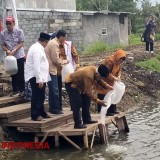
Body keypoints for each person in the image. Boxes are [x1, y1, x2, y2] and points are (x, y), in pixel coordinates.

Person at [65, 64, 116, 129]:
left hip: (80, 83)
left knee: (86, 100)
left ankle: (86, 119)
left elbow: (99, 80)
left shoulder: (96, 71)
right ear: (97, 74)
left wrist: (108, 86)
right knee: (77, 103)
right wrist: (98, 101)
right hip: (71, 83)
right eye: (100, 77)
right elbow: (88, 91)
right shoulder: (89, 75)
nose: (101, 78)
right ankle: (77, 124)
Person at [25, 32, 52, 121]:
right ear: (44, 41)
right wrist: (39, 79)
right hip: (36, 76)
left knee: (41, 96)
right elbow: (36, 65)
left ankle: (42, 112)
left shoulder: (38, 48)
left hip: (41, 76)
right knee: (37, 95)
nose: (47, 44)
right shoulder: (37, 49)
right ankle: (35, 115)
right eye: (47, 43)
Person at [45, 30, 69, 114]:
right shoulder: (55, 44)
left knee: (53, 90)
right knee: (54, 90)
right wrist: (65, 61)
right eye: (65, 38)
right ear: (61, 37)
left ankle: (54, 108)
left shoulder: (54, 43)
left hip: (52, 69)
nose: (65, 40)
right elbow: (56, 60)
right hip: (52, 70)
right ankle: (55, 108)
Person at [0, 16, 25, 96]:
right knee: (13, 73)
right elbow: (2, 45)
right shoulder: (3, 33)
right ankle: (15, 90)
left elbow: (21, 43)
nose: (8, 25)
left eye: (9, 23)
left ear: (13, 23)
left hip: (19, 55)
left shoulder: (19, 32)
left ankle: (22, 90)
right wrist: (7, 50)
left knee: (20, 73)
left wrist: (14, 50)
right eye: (6, 23)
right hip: (10, 57)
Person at [97, 49, 126, 115]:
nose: (121, 61)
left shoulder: (119, 63)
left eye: (122, 60)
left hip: (111, 82)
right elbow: (106, 73)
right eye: (120, 59)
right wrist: (114, 78)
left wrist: (118, 76)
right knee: (103, 95)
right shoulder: (110, 61)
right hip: (104, 81)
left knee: (112, 95)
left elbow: (119, 71)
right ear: (117, 57)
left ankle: (112, 110)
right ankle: (104, 111)